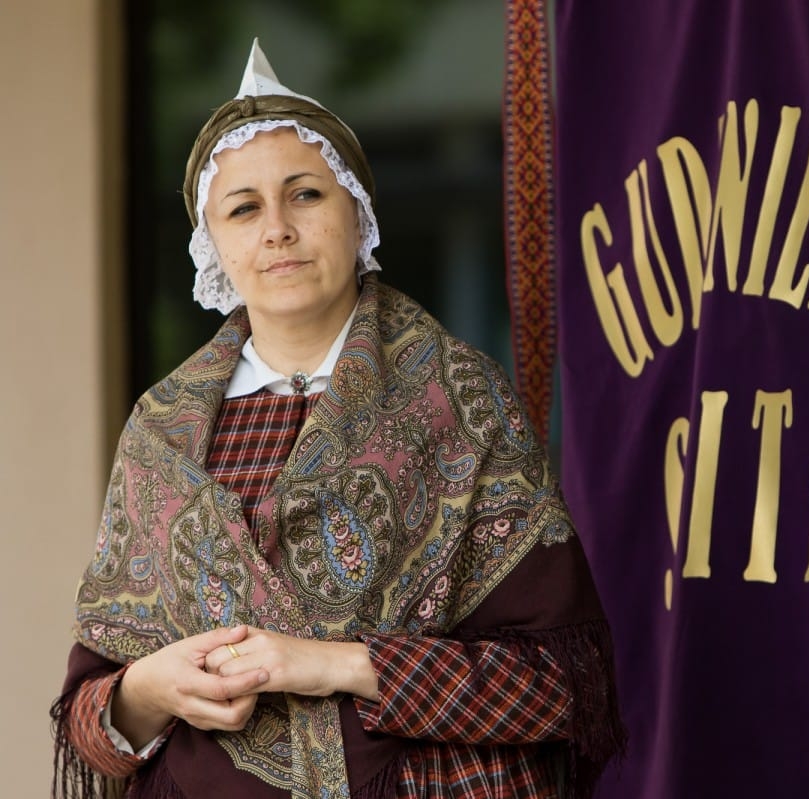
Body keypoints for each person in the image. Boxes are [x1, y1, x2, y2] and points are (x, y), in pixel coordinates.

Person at [51, 39, 624, 799]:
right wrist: (153, 688)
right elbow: (92, 717)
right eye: (244, 207)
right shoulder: (160, 431)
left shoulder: (458, 398)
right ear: (213, 244)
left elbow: (558, 685)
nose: (278, 228)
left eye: (307, 194)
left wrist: (336, 662)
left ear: (358, 212)